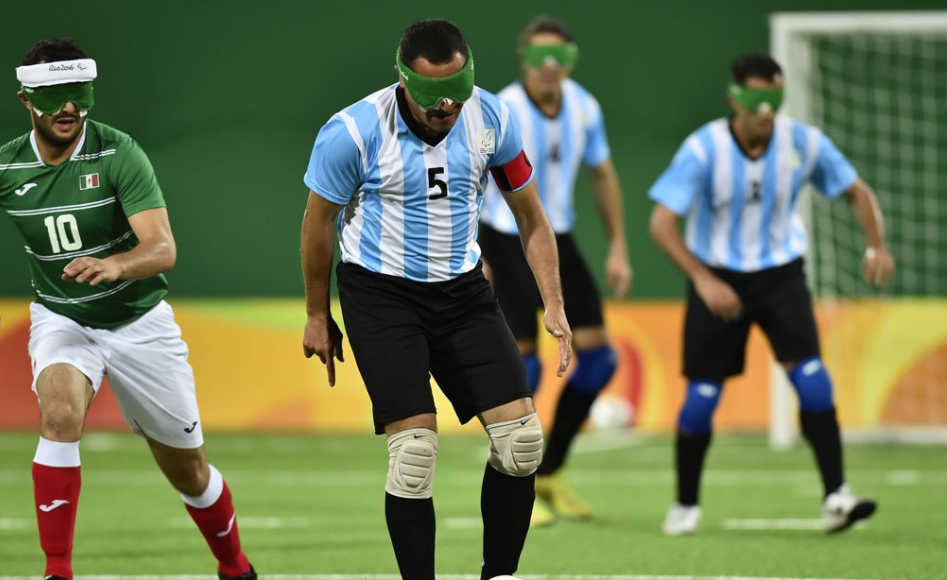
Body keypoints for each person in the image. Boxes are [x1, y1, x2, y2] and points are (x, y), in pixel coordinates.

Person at [0, 38, 257, 579]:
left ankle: (234, 566)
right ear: (26, 100)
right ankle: (57, 572)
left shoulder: (118, 152)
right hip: (63, 317)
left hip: (140, 322)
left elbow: (163, 249)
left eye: (78, 94)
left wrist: (117, 264)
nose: (69, 107)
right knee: (60, 414)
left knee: (189, 471)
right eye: (56, 96)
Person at [300, 19, 573, 580]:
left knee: (522, 445)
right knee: (415, 455)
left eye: (459, 88)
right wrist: (315, 312)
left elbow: (532, 219)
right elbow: (317, 225)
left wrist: (554, 303)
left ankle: (499, 574)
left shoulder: (493, 117)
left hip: (465, 292)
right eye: (432, 95)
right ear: (402, 79)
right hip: (381, 296)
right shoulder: (351, 132)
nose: (447, 105)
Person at [648, 52, 895, 535]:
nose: (767, 112)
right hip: (717, 278)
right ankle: (685, 505)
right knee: (700, 399)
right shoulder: (704, 150)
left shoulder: (803, 143)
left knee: (813, 381)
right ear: (735, 98)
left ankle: (836, 498)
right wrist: (703, 279)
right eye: (758, 100)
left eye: (775, 100)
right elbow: (661, 224)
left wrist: (876, 245)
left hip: (781, 276)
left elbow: (857, 191)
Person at [479, 15, 632, 527]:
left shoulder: (585, 108)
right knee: (527, 369)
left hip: (557, 237)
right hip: (503, 236)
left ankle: (550, 472)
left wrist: (618, 247)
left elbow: (603, 173)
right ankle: (511, 480)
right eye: (540, 56)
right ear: (523, 57)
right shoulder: (502, 109)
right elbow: (472, 178)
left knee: (600, 361)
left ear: (572, 61)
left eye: (561, 57)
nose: (549, 66)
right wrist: (476, 254)